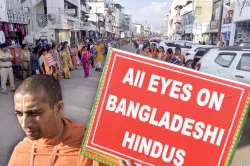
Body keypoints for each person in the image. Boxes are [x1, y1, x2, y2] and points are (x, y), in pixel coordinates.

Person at [9, 75, 136, 166]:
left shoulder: (91, 148)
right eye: (19, 114)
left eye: (35, 113)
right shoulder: (21, 151)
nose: (25, 124)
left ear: (59, 108)